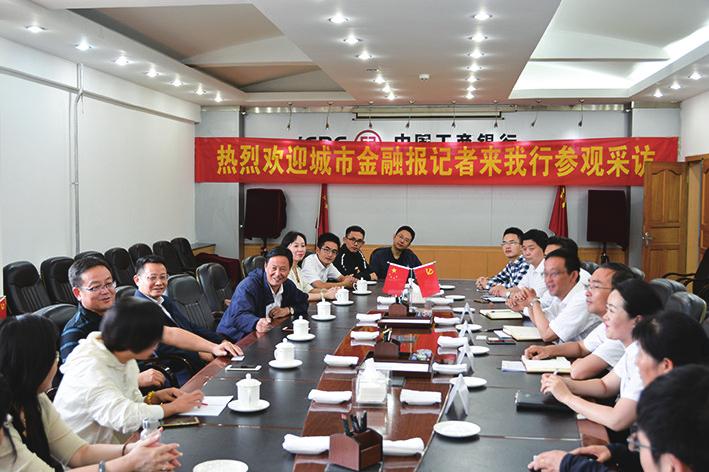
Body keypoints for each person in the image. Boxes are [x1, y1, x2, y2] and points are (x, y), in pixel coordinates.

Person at [528, 313, 709, 472]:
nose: (636, 362)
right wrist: (617, 453)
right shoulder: (687, 397)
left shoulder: (680, 416)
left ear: (666, 366)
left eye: (641, 355)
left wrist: (570, 465)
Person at [0, 315, 182, 472]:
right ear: (35, 365)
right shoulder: (3, 423)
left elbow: (79, 453)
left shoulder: (36, 399)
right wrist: (131, 461)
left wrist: (132, 450)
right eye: (53, 356)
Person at [60, 257, 242, 386]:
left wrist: (213, 347)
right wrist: (135, 380)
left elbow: (169, 333)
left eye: (109, 284)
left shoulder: (121, 312)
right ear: (77, 293)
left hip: (151, 384)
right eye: (95, 287)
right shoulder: (74, 331)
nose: (106, 291)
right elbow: (79, 381)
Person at [55, 298, 205, 444]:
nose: (157, 344)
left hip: (120, 441)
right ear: (136, 339)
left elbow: (131, 402)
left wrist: (155, 397)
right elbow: (124, 417)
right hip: (88, 451)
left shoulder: (124, 355)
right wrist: (173, 408)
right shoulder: (90, 367)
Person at [539, 279, 662, 432]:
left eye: (612, 311)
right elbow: (605, 385)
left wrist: (566, 397)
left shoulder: (648, 357)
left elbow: (617, 420)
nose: (605, 317)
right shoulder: (634, 348)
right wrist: (563, 384)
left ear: (636, 320)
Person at [133, 255, 241, 375]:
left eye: (163, 277)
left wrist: (221, 341)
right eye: (152, 278)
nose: (159, 282)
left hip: (193, 357)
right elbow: (162, 347)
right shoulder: (137, 309)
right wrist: (200, 352)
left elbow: (189, 326)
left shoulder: (164, 300)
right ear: (137, 280)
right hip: (175, 367)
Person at [524, 263, 635, 379]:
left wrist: (580, 363)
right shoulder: (607, 323)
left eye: (596, 287)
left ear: (618, 294)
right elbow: (581, 347)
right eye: (589, 286)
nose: (587, 292)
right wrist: (547, 350)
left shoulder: (622, 331)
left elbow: (580, 371)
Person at [217, 246, 309, 341]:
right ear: (265, 266)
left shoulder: (287, 285)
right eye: (273, 268)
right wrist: (256, 323)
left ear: (289, 270)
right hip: (234, 338)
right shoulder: (249, 285)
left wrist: (288, 310)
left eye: (283, 269)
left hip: (267, 336)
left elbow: (303, 302)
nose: (277, 274)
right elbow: (237, 316)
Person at [517, 249, 601, 342]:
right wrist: (529, 304)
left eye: (554, 274)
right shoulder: (561, 295)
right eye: (545, 274)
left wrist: (534, 301)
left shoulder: (583, 299)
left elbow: (547, 335)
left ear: (573, 275)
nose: (548, 280)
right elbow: (541, 323)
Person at [280, 231, 337, 302]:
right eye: (296, 246)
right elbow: (297, 296)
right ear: (286, 248)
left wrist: (329, 291)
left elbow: (309, 290)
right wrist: (324, 295)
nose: (300, 249)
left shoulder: (298, 269)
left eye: (303, 246)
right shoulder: (283, 269)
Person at [476, 227, 528, 296]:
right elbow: (498, 278)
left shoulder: (526, 263)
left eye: (512, 243)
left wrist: (487, 284)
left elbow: (515, 287)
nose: (507, 246)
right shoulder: (511, 264)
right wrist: (483, 282)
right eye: (504, 243)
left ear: (522, 246)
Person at [506, 229, 548, 310]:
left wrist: (507, 293)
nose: (527, 253)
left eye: (531, 249)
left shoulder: (548, 269)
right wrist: (514, 296)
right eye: (524, 249)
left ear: (544, 249)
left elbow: (535, 298)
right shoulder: (532, 267)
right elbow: (519, 289)